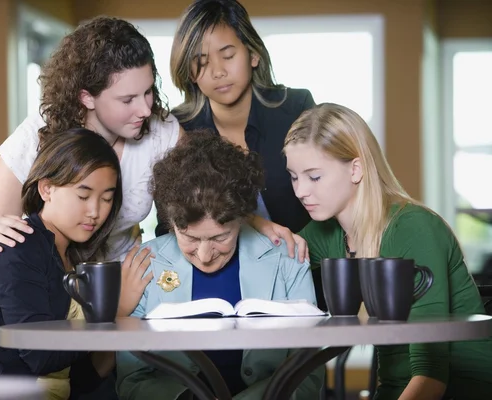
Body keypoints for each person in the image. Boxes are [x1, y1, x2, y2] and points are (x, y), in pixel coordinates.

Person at [0, 15, 301, 318]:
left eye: (148, 92)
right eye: (127, 100)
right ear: (87, 98)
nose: (144, 109)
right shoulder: (39, 134)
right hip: (45, 290)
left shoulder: (161, 131)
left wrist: (257, 223)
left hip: (122, 287)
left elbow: (207, 193)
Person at [284, 103, 492, 400]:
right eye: (293, 176)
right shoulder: (328, 232)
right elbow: (270, 257)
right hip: (394, 390)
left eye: (314, 177)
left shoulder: (413, 228)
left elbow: (431, 376)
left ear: (355, 169)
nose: (300, 191)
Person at [116, 132, 323, 400]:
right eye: (189, 237)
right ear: (171, 222)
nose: (204, 255)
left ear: (242, 218)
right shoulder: (144, 263)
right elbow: (132, 380)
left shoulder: (287, 257)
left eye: (219, 238)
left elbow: (307, 374)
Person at [0, 129, 131, 399]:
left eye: (106, 198)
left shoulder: (77, 257)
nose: (95, 211)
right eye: (83, 195)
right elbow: (38, 352)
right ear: (47, 189)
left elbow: (72, 377)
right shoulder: (17, 244)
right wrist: (107, 324)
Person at [166, 0, 314, 255]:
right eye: (201, 62)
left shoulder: (297, 108)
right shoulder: (178, 128)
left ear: (253, 54)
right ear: (190, 72)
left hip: (304, 262)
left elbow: (331, 199)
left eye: (228, 56)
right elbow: (170, 222)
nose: (218, 72)